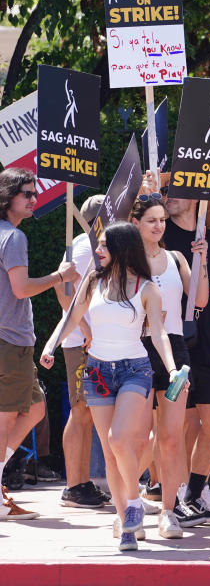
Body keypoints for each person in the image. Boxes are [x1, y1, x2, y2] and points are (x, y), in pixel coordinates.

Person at [40, 222, 179, 551]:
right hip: (98, 372)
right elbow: (72, 318)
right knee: (111, 451)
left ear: (122, 249)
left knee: (119, 439)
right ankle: (128, 524)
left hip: (135, 370)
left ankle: (132, 502)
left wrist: (172, 368)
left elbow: (158, 333)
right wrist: (50, 346)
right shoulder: (93, 281)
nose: (98, 251)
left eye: (104, 246)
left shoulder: (146, 288)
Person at [0, 167, 79, 521]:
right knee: (6, 418)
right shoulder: (13, 239)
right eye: (27, 194)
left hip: (12, 341)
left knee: (35, 409)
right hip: (9, 341)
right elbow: (21, 289)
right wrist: (61, 276)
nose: (34, 199)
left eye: (34, 193)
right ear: (7, 198)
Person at [129, 193, 208, 537]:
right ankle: (128, 502)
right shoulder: (126, 261)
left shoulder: (177, 257)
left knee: (172, 436)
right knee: (140, 435)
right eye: (151, 220)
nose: (159, 226)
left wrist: (201, 262)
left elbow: (200, 300)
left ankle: (168, 511)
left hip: (175, 350)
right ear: (136, 224)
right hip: (137, 349)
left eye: (162, 220)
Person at [159, 181, 210, 524]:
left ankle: (193, 491)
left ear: (198, 198)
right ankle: (165, 494)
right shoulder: (158, 235)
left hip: (205, 342)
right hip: (170, 342)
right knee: (175, 426)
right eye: (165, 190)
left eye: (175, 189)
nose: (169, 196)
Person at [55, 195, 112, 509]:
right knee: (82, 411)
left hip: (91, 339)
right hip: (81, 341)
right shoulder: (83, 244)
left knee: (88, 412)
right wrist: (87, 329)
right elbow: (63, 289)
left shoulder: (99, 244)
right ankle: (75, 486)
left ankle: (80, 484)